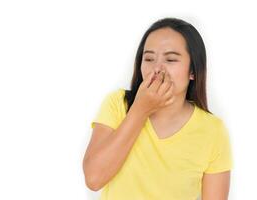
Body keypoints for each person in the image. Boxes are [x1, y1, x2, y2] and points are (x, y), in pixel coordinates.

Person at [82, 17, 233, 200]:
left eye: (170, 59)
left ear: (192, 71)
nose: (157, 69)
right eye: (149, 58)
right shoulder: (118, 104)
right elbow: (94, 179)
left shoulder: (213, 130)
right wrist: (140, 109)